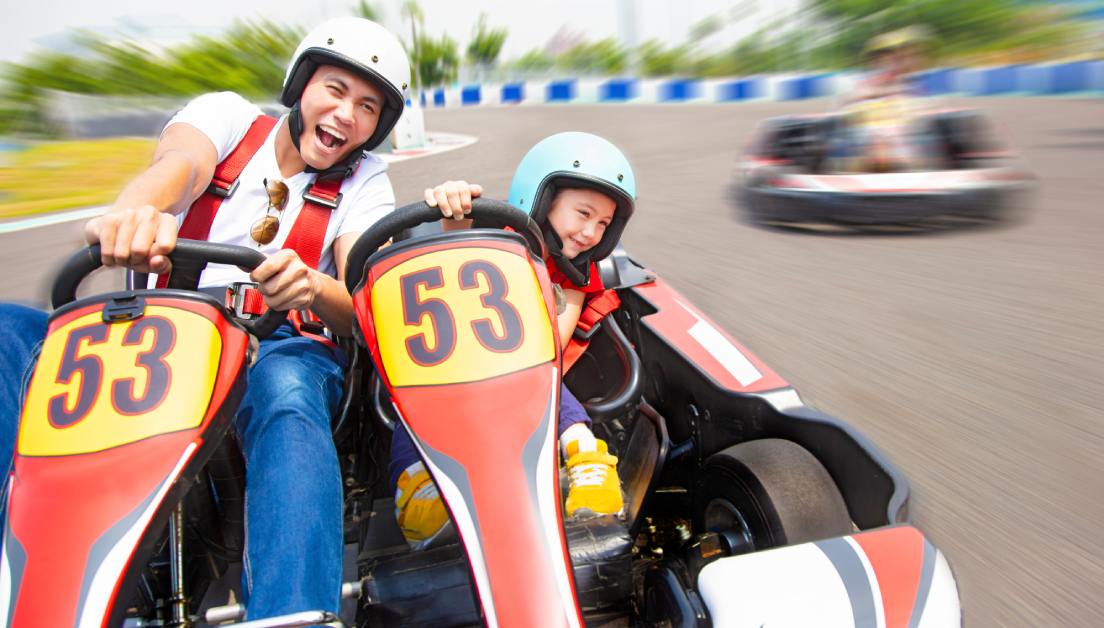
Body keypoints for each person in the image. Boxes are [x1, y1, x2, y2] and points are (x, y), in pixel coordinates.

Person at [0, 16, 409, 620]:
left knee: (287, 395)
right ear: (301, 84)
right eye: (335, 89)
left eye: (368, 107)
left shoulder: (366, 183)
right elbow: (179, 167)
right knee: (8, 331)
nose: (347, 114)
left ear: (378, 125)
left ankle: (292, 611)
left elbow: (360, 305)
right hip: (155, 333)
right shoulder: (228, 118)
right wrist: (135, 214)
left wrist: (312, 285)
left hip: (272, 343)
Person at [390, 132, 636, 550]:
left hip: (523, 371)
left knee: (547, 384)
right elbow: (452, 247)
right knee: (413, 402)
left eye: (603, 224)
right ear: (541, 197)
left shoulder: (577, 273)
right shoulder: (495, 236)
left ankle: (585, 459)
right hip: (446, 363)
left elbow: (553, 346)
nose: (591, 232)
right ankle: (419, 487)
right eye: (583, 213)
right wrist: (454, 209)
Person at [834, 25, 935, 173]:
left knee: (910, 139)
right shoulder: (868, 82)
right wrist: (872, 95)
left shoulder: (912, 82)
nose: (888, 61)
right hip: (873, 129)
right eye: (882, 57)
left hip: (901, 129)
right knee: (864, 138)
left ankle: (912, 170)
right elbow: (850, 101)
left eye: (892, 57)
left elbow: (919, 104)